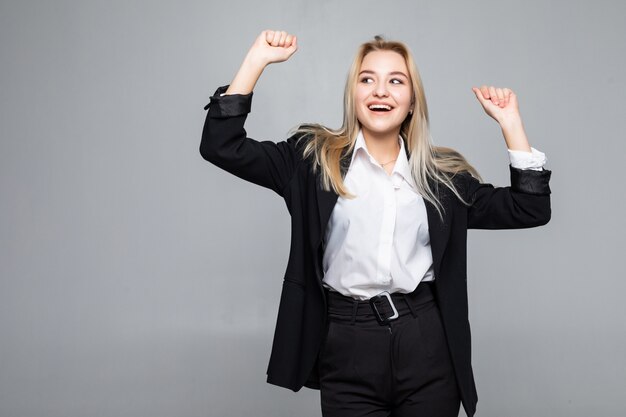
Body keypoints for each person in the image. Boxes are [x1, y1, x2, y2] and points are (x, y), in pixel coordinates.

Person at [200, 30, 551, 417]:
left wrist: (510, 123)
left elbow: (529, 208)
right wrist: (256, 61)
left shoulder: (442, 178)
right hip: (346, 344)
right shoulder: (311, 160)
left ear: (413, 101)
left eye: (395, 81)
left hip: (427, 343)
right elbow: (222, 146)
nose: (380, 91)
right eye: (367, 80)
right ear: (353, 95)